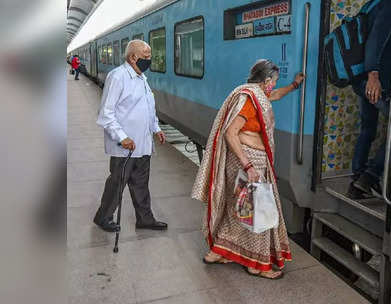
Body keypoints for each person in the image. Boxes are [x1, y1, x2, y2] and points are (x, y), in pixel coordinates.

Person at [192, 59, 304, 279]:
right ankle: (255, 264)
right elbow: (230, 133)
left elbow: (275, 96)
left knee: (239, 207)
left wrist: (293, 86)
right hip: (248, 161)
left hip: (246, 161)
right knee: (257, 213)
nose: (274, 86)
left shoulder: (255, 94)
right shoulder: (249, 100)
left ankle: (218, 252)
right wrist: (249, 165)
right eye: (274, 82)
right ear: (266, 80)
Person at [93, 40, 168, 232]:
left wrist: (156, 128)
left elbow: (148, 108)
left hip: (142, 143)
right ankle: (103, 217)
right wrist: (121, 137)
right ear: (133, 57)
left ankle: (145, 219)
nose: (149, 60)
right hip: (124, 145)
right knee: (117, 183)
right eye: (146, 56)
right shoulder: (118, 77)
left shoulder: (141, 77)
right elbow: (106, 113)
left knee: (141, 184)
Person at [349, 0, 391, 198]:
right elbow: (376, 39)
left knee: (368, 129)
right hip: (376, 81)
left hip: (360, 79)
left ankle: (358, 179)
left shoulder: (370, 5)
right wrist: (374, 75)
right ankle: (370, 176)